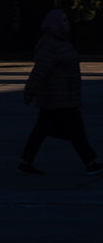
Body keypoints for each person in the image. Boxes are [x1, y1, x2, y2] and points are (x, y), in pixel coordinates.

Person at [18, 9, 103, 175]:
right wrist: (30, 91)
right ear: (55, 24)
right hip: (57, 97)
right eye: (64, 21)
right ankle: (90, 163)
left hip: (64, 96)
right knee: (76, 130)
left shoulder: (62, 42)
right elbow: (40, 70)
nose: (68, 23)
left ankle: (25, 162)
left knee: (42, 131)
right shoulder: (49, 44)